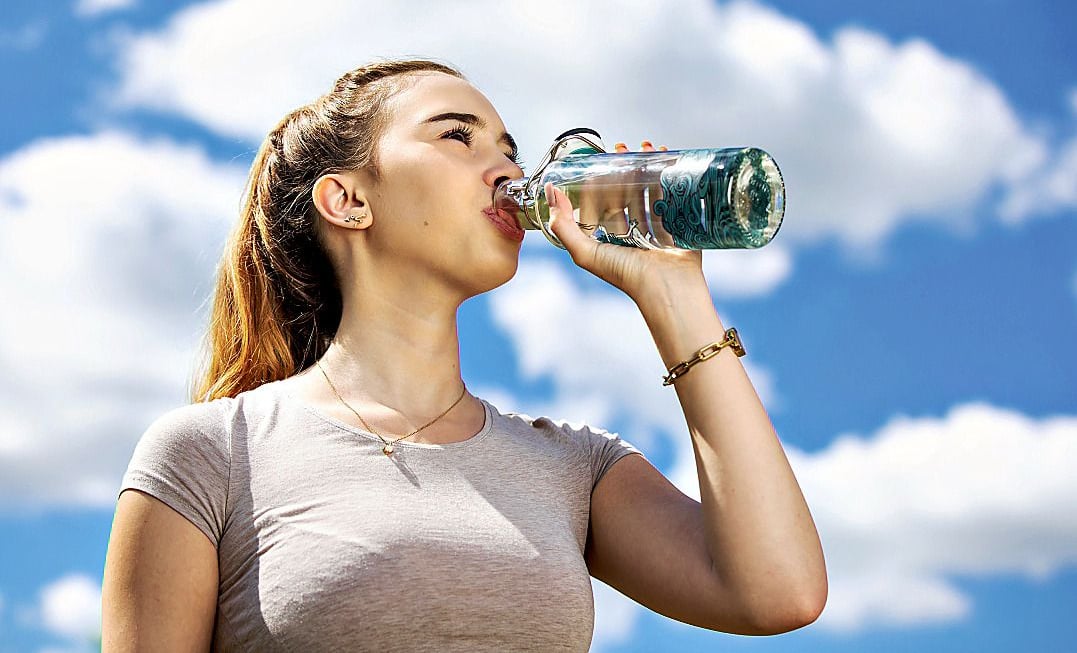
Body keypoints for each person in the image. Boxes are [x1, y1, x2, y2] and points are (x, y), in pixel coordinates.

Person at [101, 58, 826, 651]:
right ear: (347, 200)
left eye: (510, 150)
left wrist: (673, 294)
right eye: (459, 137)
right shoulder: (211, 453)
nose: (504, 169)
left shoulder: (573, 468)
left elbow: (778, 591)